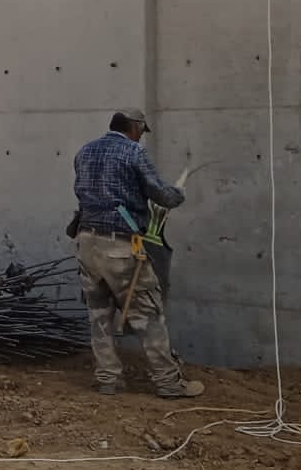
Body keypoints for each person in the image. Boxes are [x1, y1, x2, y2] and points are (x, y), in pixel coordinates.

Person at [69, 109, 203, 398]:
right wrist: (177, 195)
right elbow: (161, 194)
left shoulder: (84, 152)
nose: (141, 136)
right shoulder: (132, 153)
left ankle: (108, 380)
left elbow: (82, 192)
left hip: (86, 242)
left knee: (99, 315)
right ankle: (168, 383)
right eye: (141, 130)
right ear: (134, 126)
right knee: (148, 313)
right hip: (120, 246)